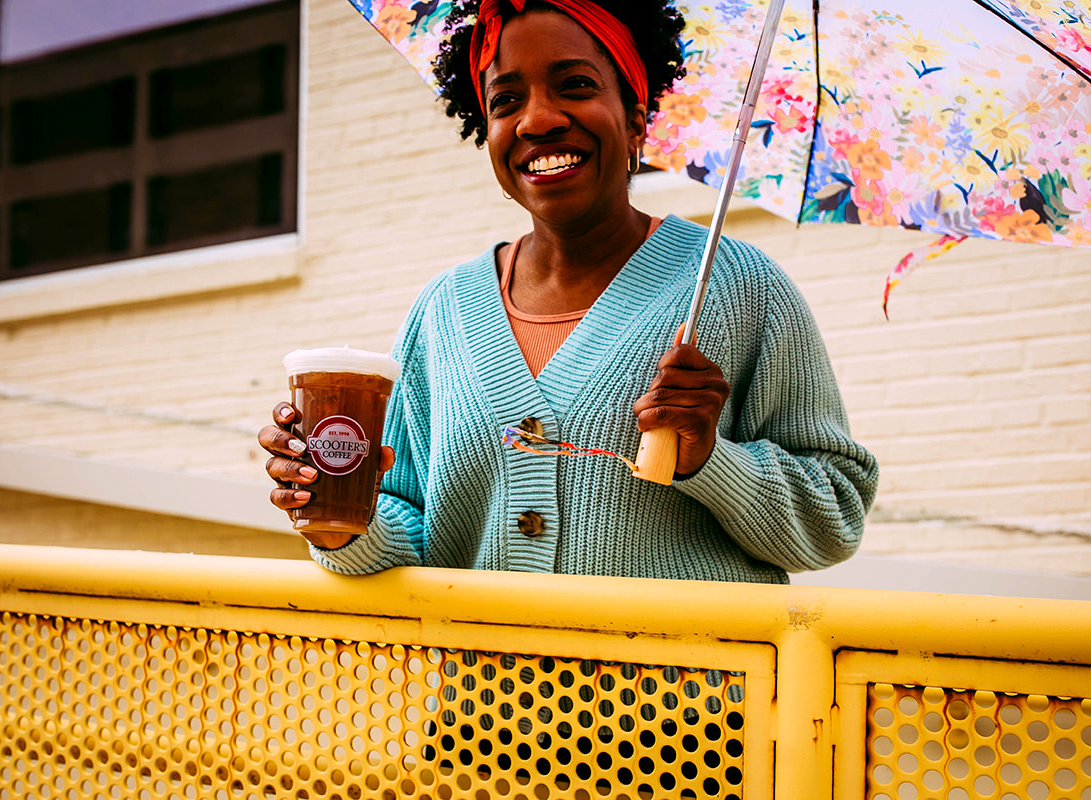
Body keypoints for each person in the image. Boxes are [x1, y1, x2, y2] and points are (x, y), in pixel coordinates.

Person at [259, 0, 878, 583]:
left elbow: (836, 516)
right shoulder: (443, 311)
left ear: (635, 121)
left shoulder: (738, 286)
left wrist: (712, 460)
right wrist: (344, 521)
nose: (538, 120)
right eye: (505, 101)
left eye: (576, 85)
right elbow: (411, 525)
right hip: (482, 670)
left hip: (691, 669)